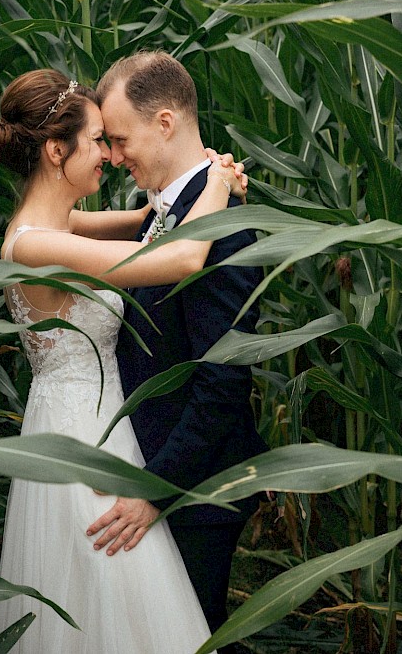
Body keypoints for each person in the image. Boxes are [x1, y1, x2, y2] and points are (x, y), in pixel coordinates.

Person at [0, 68, 246, 653]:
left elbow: (152, 222)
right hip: (86, 442)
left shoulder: (59, 224)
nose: (107, 154)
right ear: (57, 150)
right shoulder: (35, 245)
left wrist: (205, 174)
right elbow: (178, 257)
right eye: (98, 141)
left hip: (103, 423)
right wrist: (221, 189)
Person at [85, 51, 267, 653]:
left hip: (196, 491)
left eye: (119, 139)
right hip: (161, 474)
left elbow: (222, 381)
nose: (112, 156)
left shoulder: (225, 226)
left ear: (165, 122)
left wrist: (154, 489)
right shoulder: (170, 209)